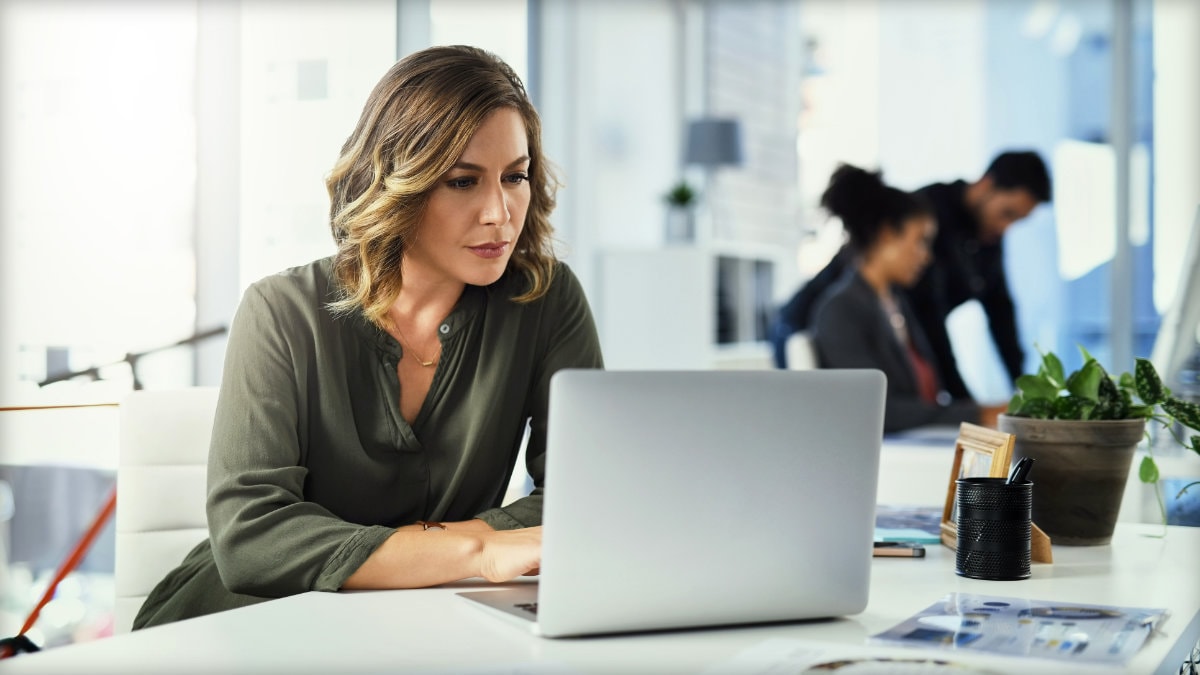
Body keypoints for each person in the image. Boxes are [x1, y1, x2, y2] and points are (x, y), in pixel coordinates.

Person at [132, 46, 604, 629]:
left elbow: (585, 497)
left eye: (515, 177)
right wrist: (477, 549)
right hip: (252, 622)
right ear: (397, 183)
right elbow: (251, 538)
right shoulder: (280, 311)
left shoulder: (545, 299)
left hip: (429, 620)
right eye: (462, 181)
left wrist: (425, 552)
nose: (499, 213)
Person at [772, 151, 1052, 401]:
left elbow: (1000, 311)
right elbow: (929, 317)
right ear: (986, 185)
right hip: (807, 325)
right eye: (1007, 213)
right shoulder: (928, 212)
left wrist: (1023, 388)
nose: (1005, 228)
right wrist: (967, 409)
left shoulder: (987, 237)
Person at [808, 164, 1004, 433]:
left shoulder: (895, 303)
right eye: (921, 241)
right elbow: (877, 410)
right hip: (896, 458)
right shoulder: (842, 310)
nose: (927, 256)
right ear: (888, 234)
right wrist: (978, 413)